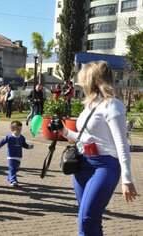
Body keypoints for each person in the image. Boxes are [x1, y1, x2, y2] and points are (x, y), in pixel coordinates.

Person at [58, 61, 138, 236]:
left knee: (86, 218)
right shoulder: (89, 106)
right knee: (91, 218)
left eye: (83, 79)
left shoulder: (113, 105)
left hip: (105, 166)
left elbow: (121, 143)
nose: (80, 84)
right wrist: (64, 131)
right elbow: (84, 138)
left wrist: (127, 179)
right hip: (82, 164)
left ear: (93, 80)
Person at [0, 120, 33, 186]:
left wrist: (29, 146)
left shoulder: (22, 137)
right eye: (17, 129)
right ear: (12, 129)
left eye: (20, 129)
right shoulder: (9, 137)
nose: (19, 131)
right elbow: (2, 142)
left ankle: (10, 177)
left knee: (15, 169)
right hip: (11, 156)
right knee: (12, 168)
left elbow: (24, 144)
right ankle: (13, 181)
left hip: (19, 156)